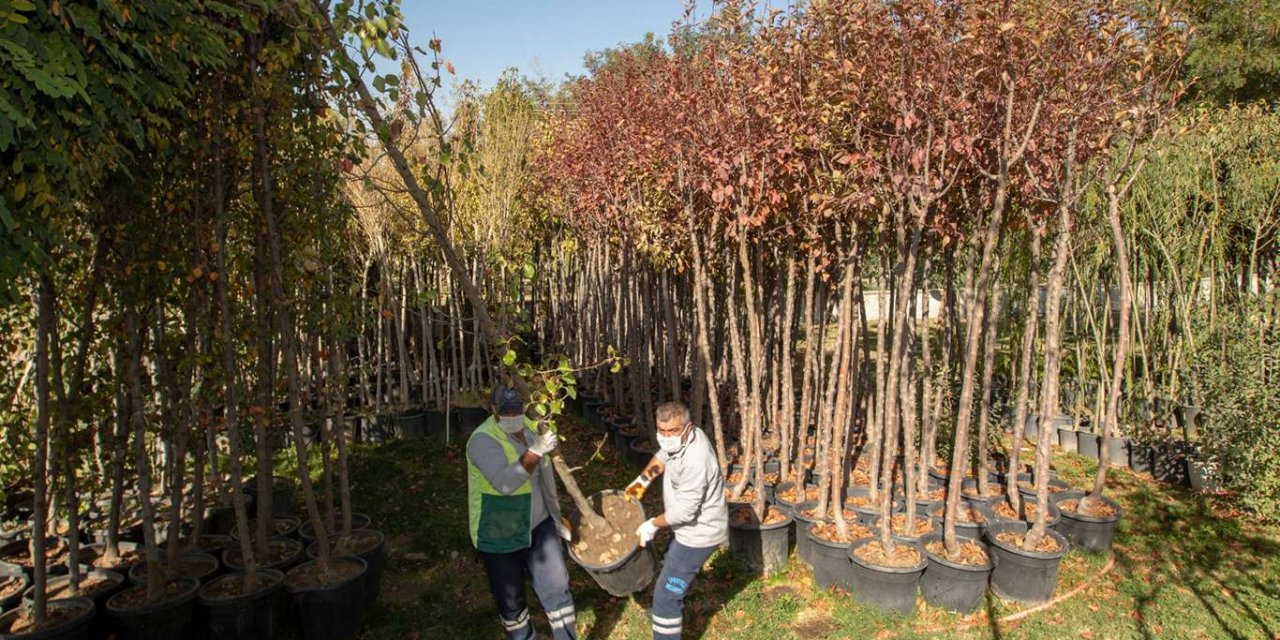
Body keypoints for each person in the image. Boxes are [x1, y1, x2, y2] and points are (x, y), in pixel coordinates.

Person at [467, 385, 577, 640]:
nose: (512, 416)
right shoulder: (482, 441)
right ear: (493, 410)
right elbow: (505, 483)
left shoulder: (531, 427)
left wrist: (555, 516)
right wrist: (535, 451)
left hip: (539, 524)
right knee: (512, 603)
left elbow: (546, 478)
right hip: (500, 533)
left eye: (516, 410)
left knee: (558, 588)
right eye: (506, 412)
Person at [624, 401, 728, 640]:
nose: (667, 436)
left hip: (699, 535)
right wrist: (642, 481)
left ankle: (666, 617)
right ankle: (670, 607)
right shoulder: (684, 438)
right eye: (662, 431)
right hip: (687, 528)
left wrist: (652, 525)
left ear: (687, 427)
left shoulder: (697, 459)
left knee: (665, 596)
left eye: (672, 431)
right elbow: (664, 454)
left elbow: (684, 512)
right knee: (669, 563)